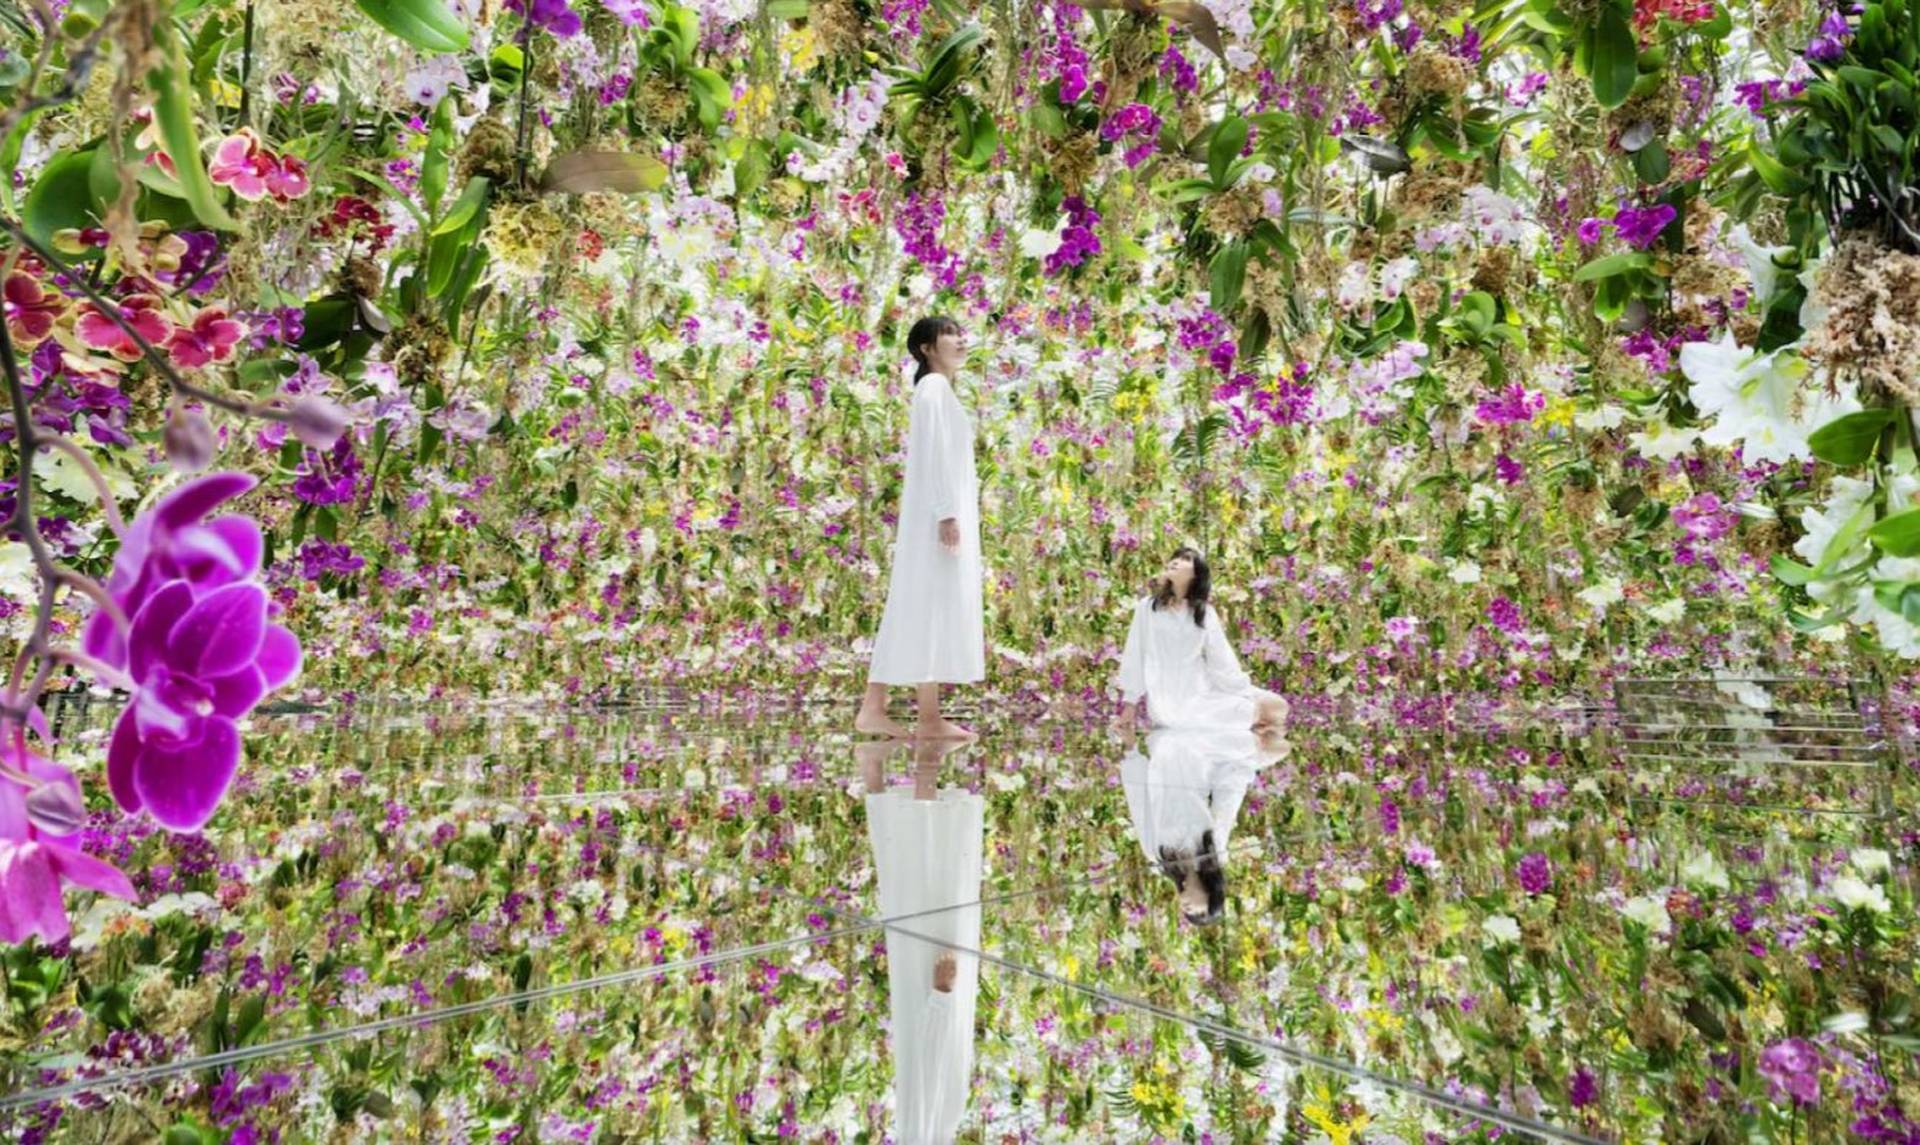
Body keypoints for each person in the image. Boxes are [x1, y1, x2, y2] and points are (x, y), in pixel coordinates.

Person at [856, 316, 985, 741]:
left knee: (926, 606)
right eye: (949, 333)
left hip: (938, 515)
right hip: (936, 518)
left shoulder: (940, 391)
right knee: (919, 603)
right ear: (927, 348)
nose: (960, 340)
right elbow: (934, 454)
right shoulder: (933, 389)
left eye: (960, 333)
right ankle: (877, 706)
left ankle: (926, 714)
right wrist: (947, 512)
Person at [858, 738, 983, 1143]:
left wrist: (941, 996)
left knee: (928, 882)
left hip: (934, 989)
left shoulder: (926, 1136)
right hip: (935, 995)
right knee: (914, 886)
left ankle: (922, 764)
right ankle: (877, 771)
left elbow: (926, 1075)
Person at [1121, 723, 1290, 925]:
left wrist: (1131, 750)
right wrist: (1246, 753)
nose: (1190, 912)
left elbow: (1140, 805)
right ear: (1211, 897)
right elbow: (1227, 800)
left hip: (1161, 751)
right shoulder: (1213, 849)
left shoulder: (1159, 858)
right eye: (1200, 913)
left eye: (1190, 916)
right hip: (1196, 752)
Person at [1112, 547, 1289, 732]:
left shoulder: (1204, 613)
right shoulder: (1148, 607)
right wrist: (1129, 705)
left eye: (1184, 559)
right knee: (1180, 723)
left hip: (1199, 692)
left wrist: (1245, 690)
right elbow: (1135, 652)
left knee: (1270, 708)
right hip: (1164, 698)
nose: (1175, 561)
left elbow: (1221, 658)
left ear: (1196, 574)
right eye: (1174, 558)